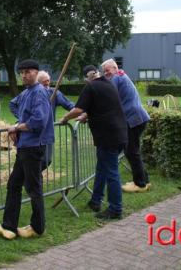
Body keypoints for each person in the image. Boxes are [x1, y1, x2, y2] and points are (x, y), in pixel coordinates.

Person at [0, 59, 54, 240]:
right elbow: (22, 113)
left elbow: (39, 121)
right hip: (25, 146)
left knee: (33, 188)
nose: (25, 75)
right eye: (22, 72)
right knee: (14, 185)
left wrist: (18, 128)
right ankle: (8, 227)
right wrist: (19, 124)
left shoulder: (39, 93)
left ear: (36, 72)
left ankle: (38, 227)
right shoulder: (26, 93)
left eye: (28, 72)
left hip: (33, 147)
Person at [60, 65, 127, 219]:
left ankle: (116, 209)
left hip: (107, 136)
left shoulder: (90, 87)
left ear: (86, 78)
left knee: (111, 172)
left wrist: (65, 118)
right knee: (102, 168)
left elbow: (77, 109)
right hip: (121, 133)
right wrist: (87, 116)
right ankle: (95, 201)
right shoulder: (109, 84)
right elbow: (104, 106)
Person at [101, 59, 151, 193]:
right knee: (133, 151)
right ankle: (144, 180)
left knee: (131, 151)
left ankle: (140, 184)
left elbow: (106, 96)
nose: (106, 73)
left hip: (134, 119)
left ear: (115, 68)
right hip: (137, 118)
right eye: (104, 71)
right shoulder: (121, 76)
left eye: (108, 70)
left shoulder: (116, 78)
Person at [9, 70, 74, 169]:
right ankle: (34, 178)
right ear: (37, 82)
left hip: (46, 132)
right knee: (32, 163)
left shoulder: (54, 92)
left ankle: (34, 178)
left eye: (48, 81)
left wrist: (80, 112)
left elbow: (69, 105)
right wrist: (21, 118)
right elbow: (12, 104)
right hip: (31, 134)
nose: (47, 84)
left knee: (46, 160)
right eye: (44, 83)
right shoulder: (29, 93)